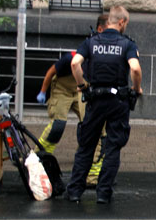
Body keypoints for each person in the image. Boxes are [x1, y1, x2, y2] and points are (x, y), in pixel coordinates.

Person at [65, 5, 142, 204]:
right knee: (113, 147)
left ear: (109, 21)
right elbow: (135, 69)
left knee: (86, 146)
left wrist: (82, 85)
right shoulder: (127, 44)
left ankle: (74, 191)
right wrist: (136, 89)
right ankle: (103, 193)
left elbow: (75, 64)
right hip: (118, 101)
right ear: (122, 22)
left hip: (95, 99)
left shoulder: (91, 42)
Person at [36, 15, 108, 188]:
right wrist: (43, 91)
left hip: (81, 89)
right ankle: (38, 161)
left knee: (96, 129)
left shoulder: (103, 53)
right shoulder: (73, 57)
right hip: (62, 89)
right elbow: (51, 72)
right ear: (99, 30)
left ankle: (91, 176)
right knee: (57, 126)